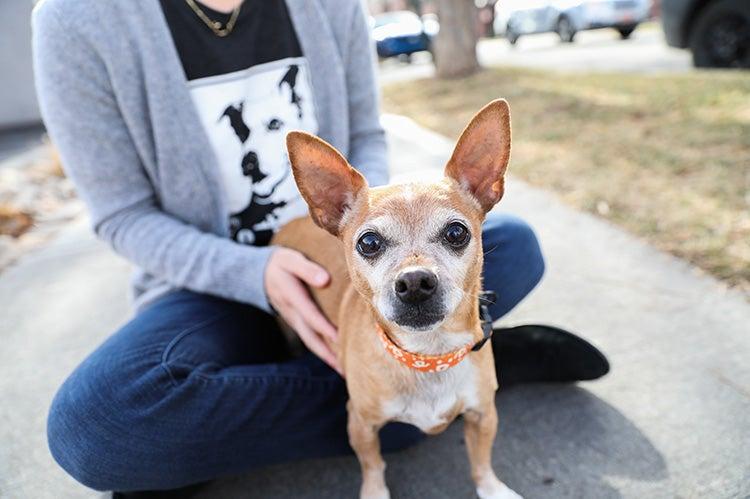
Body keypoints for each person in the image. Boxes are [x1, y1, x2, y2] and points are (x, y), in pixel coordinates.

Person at [32, 0, 608, 494]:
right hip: (205, 284)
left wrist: (369, 224)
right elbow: (122, 215)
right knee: (97, 425)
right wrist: (253, 272)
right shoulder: (78, 19)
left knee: (519, 245)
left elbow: (364, 137)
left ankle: (427, 375)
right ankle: (438, 381)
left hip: (357, 269)